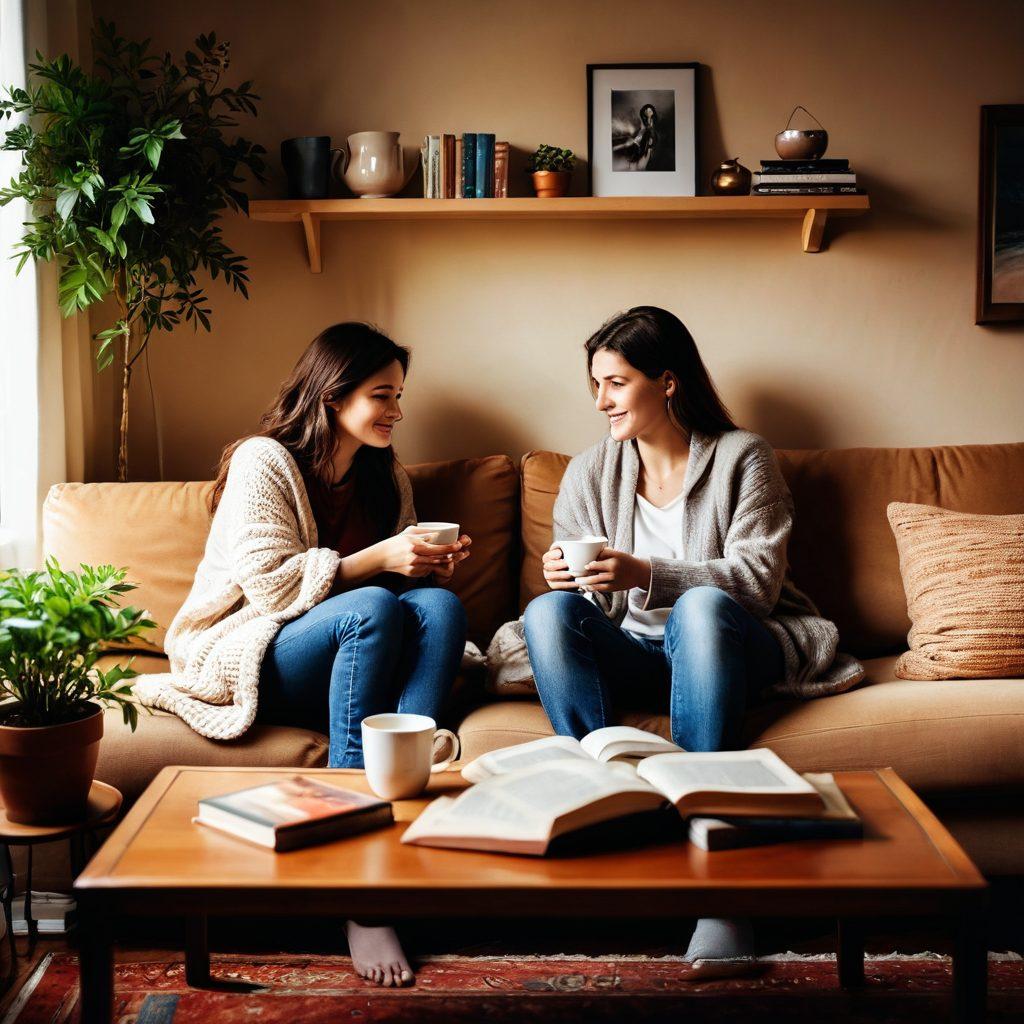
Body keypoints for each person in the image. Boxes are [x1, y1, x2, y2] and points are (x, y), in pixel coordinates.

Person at [521, 305, 862, 977]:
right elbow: (586, 603)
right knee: (544, 616)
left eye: (615, 383)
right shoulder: (590, 472)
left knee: (701, 608)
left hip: (730, 647)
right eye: (595, 384)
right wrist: (563, 575)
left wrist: (648, 572)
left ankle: (719, 882)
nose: (600, 401)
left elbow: (758, 585)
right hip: (635, 655)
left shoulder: (744, 458)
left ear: (667, 381)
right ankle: (603, 805)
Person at [146, 322, 471, 988]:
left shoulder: (385, 475)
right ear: (332, 396)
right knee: (372, 607)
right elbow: (268, 585)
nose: (398, 411)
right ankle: (357, 890)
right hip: (256, 650)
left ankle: (409, 771)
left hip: (354, 650)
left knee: (440, 609)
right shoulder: (264, 461)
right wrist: (380, 559)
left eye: (399, 395)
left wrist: (427, 569)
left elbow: (397, 596)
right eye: (383, 395)